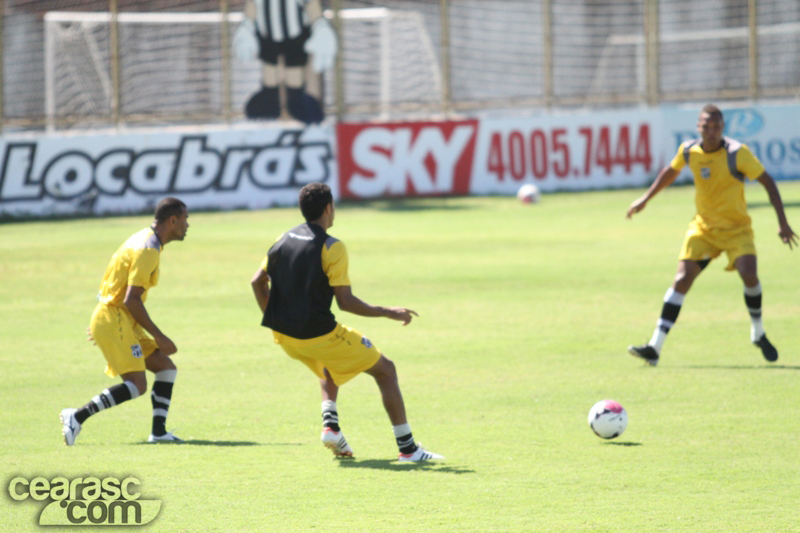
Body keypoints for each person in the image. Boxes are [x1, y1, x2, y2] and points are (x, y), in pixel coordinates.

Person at [250, 182, 443, 462]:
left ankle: (331, 427)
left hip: (286, 339)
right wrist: (389, 311)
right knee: (386, 370)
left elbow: (257, 281)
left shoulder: (284, 237)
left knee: (328, 363)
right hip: (319, 335)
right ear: (329, 208)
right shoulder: (332, 246)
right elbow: (346, 303)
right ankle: (409, 449)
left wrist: (277, 318)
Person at [626, 104, 797, 366]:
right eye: (706, 126)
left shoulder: (738, 154)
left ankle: (758, 332)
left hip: (737, 229)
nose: (711, 131)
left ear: (723, 129)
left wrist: (783, 223)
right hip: (703, 229)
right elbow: (670, 172)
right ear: (698, 127)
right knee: (682, 279)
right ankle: (655, 347)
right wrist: (645, 199)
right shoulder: (688, 150)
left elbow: (768, 183)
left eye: (717, 127)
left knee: (749, 273)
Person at [60, 198, 190, 445]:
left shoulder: (143, 238)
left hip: (116, 318)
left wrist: (103, 324)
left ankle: (159, 433)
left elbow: (116, 285)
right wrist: (158, 336)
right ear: (172, 220)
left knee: (165, 368)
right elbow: (131, 300)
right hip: (117, 316)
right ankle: (76, 415)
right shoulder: (148, 249)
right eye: (185, 219)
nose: (187, 224)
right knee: (137, 385)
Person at [233, 0, 336, 124]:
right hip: (268, 38)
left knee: (294, 75)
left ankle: (296, 101)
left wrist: (320, 25)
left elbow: (311, 4)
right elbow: (253, 6)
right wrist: (247, 26)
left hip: (295, 38)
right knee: (270, 73)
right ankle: (270, 100)